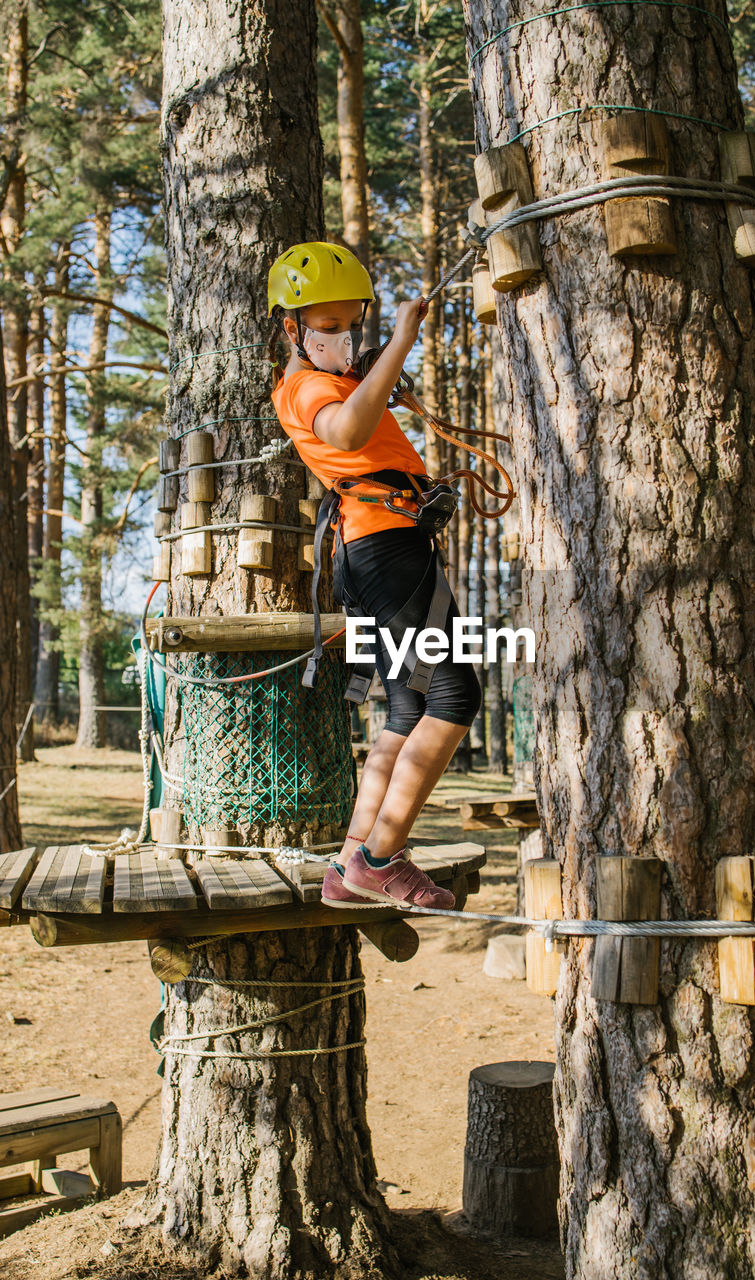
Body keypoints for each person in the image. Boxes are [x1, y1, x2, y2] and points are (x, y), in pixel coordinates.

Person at [268, 240, 482, 911]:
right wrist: (400, 342)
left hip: (383, 546)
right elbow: (347, 435)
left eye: (348, 323)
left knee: (408, 706)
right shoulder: (305, 387)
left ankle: (347, 864)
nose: (340, 336)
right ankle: (380, 859)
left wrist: (376, 364)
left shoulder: (337, 378)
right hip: (383, 548)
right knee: (453, 695)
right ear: (292, 328)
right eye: (325, 327)